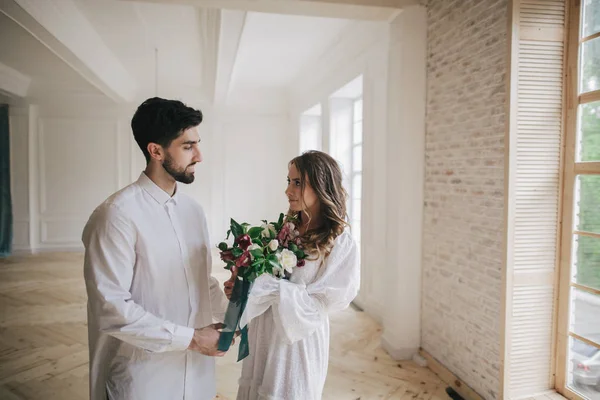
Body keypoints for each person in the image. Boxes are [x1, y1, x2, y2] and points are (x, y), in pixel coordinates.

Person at [82, 97, 229, 400]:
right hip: (143, 379)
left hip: (199, 377)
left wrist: (237, 312)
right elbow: (111, 309)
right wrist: (193, 339)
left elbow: (201, 281)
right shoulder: (115, 215)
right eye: (188, 146)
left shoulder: (194, 212)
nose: (199, 155)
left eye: (197, 144)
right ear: (156, 150)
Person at [224, 150, 360, 400]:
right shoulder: (283, 231)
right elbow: (263, 282)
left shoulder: (339, 243)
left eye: (298, 183)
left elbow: (323, 303)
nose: (288, 190)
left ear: (321, 186)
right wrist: (243, 286)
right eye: (289, 181)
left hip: (297, 343)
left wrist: (268, 289)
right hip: (265, 335)